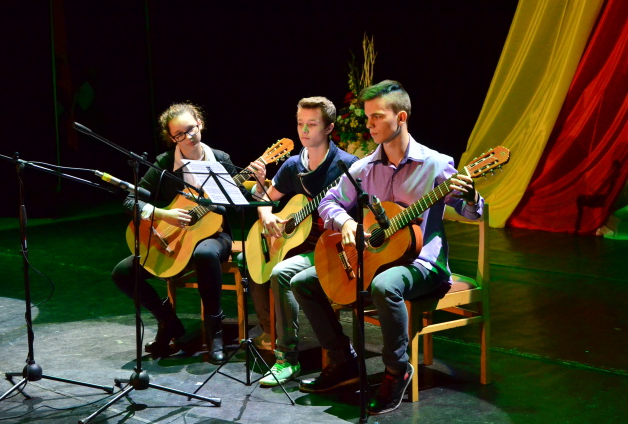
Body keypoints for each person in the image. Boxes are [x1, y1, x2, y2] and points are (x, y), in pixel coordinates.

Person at [290, 80, 484, 414]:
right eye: (367, 117)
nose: (369, 124)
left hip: (423, 265)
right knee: (303, 282)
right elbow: (328, 203)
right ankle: (343, 360)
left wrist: (471, 197)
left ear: (402, 117)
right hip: (375, 259)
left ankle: (397, 370)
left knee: (384, 285)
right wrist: (346, 223)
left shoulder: (436, 165)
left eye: (377, 116)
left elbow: (473, 213)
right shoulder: (364, 167)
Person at [111, 102, 266, 364]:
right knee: (123, 273)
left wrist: (259, 185)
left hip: (215, 236)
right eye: (179, 134)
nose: (188, 137)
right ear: (172, 138)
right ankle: (168, 322)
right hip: (175, 240)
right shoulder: (164, 164)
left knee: (205, 254)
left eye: (191, 129)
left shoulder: (220, 159)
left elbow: (241, 200)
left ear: (200, 124)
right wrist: (164, 215)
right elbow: (130, 201)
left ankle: (214, 333)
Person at [248, 96, 358, 386]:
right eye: (300, 124)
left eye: (312, 124)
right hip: (301, 245)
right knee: (256, 262)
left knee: (281, 273)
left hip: (334, 248)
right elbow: (264, 197)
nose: (304, 131)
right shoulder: (293, 164)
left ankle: (290, 357)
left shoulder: (348, 166)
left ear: (329, 128)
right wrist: (266, 215)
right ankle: (280, 349)